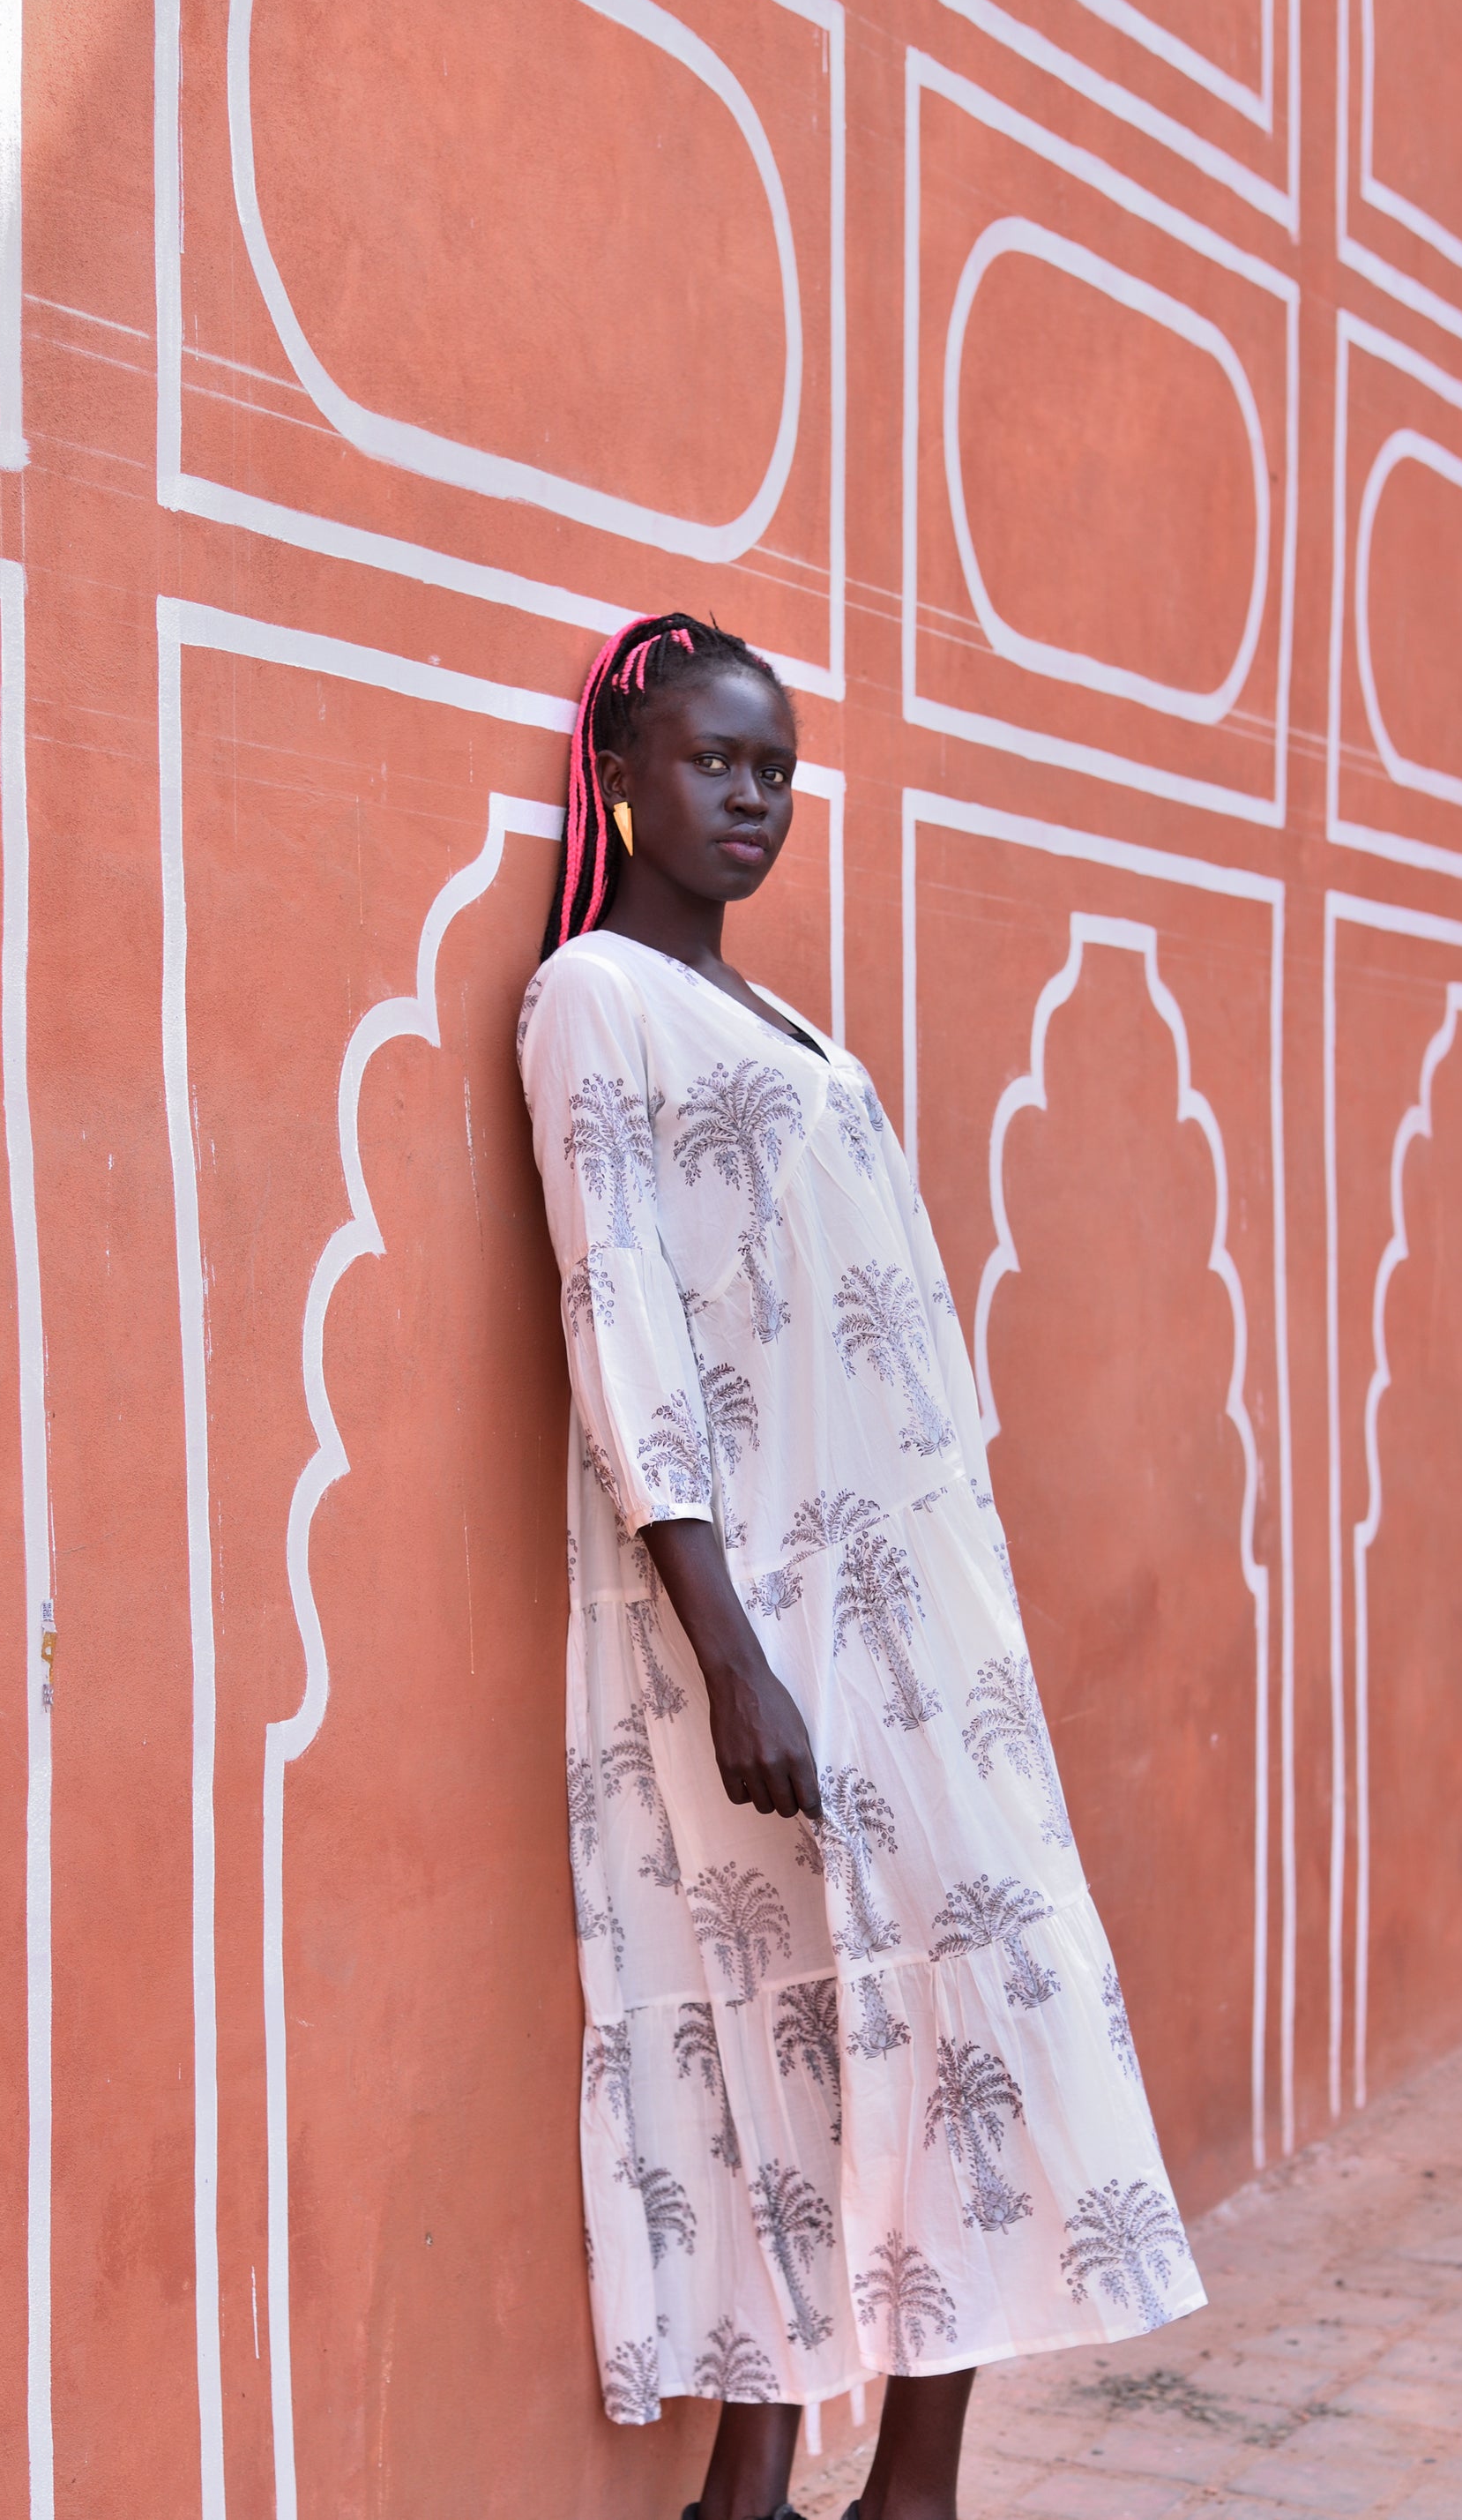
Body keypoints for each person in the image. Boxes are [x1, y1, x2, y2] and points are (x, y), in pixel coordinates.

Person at [518, 613, 1205, 2520]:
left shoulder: (793, 1027)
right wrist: (726, 1649)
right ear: (624, 776)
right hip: (762, 1620)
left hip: (916, 1620)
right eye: (715, 762)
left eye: (774, 771)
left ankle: (907, 2484)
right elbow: (622, 1323)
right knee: (792, 2023)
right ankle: (759, 2475)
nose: (751, 797)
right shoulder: (593, 1000)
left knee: (969, 1996)